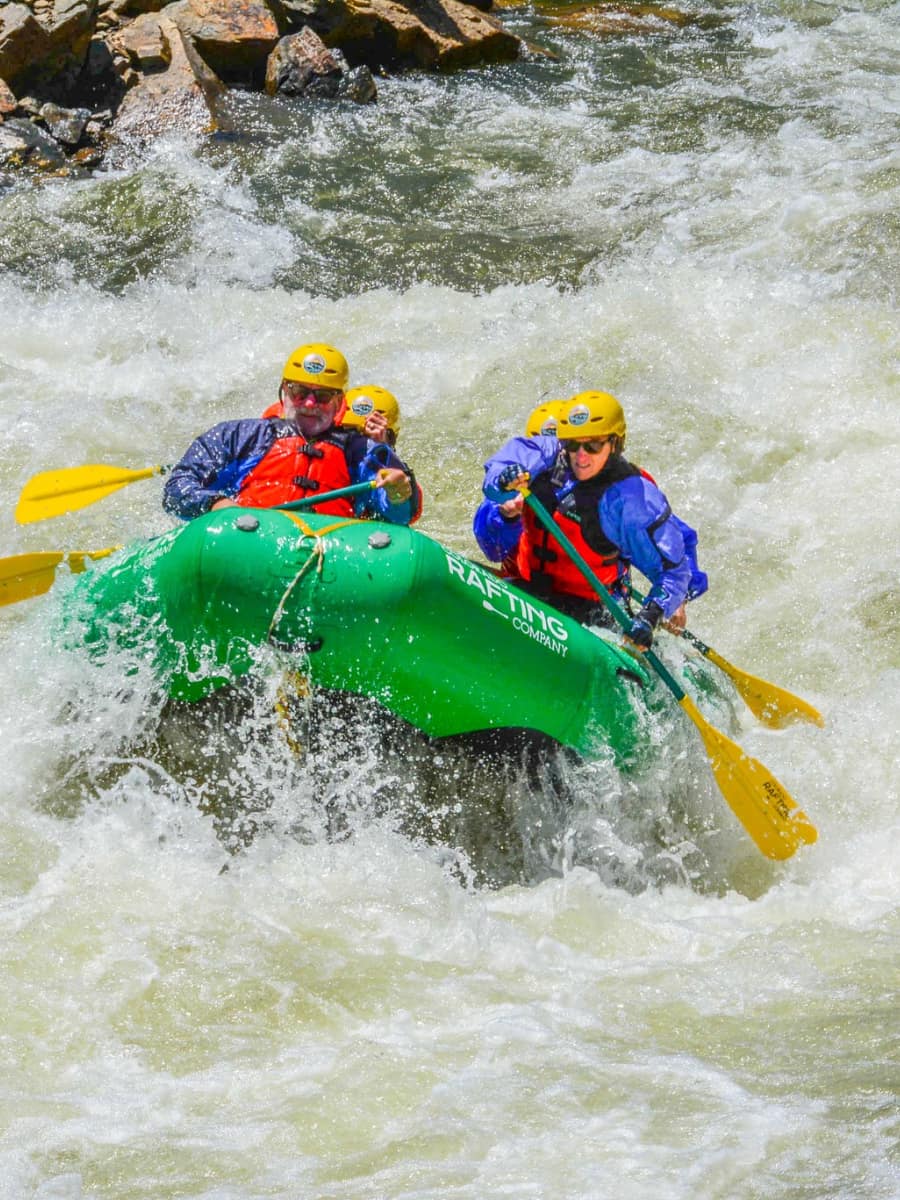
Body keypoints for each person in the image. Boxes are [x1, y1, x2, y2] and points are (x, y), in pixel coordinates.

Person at [473, 390, 707, 650]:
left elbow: (674, 564)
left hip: (591, 610)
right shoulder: (544, 458)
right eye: (573, 444)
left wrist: (655, 612)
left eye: (593, 446)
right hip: (530, 589)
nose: (581, 456)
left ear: (615, 443)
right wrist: (503, 486)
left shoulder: (632, 499)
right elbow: (502, 470)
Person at [163, 343, 416, 522]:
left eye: (323, 396)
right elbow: (178, 487)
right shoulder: (238, 435)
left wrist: (398, 495)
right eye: (299, 392)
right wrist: (215, 504)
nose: (309, 404)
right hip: (246, 541)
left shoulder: (362, 452)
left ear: (340, 403)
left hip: (330, 551)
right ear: (284, 390)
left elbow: (400, 514)